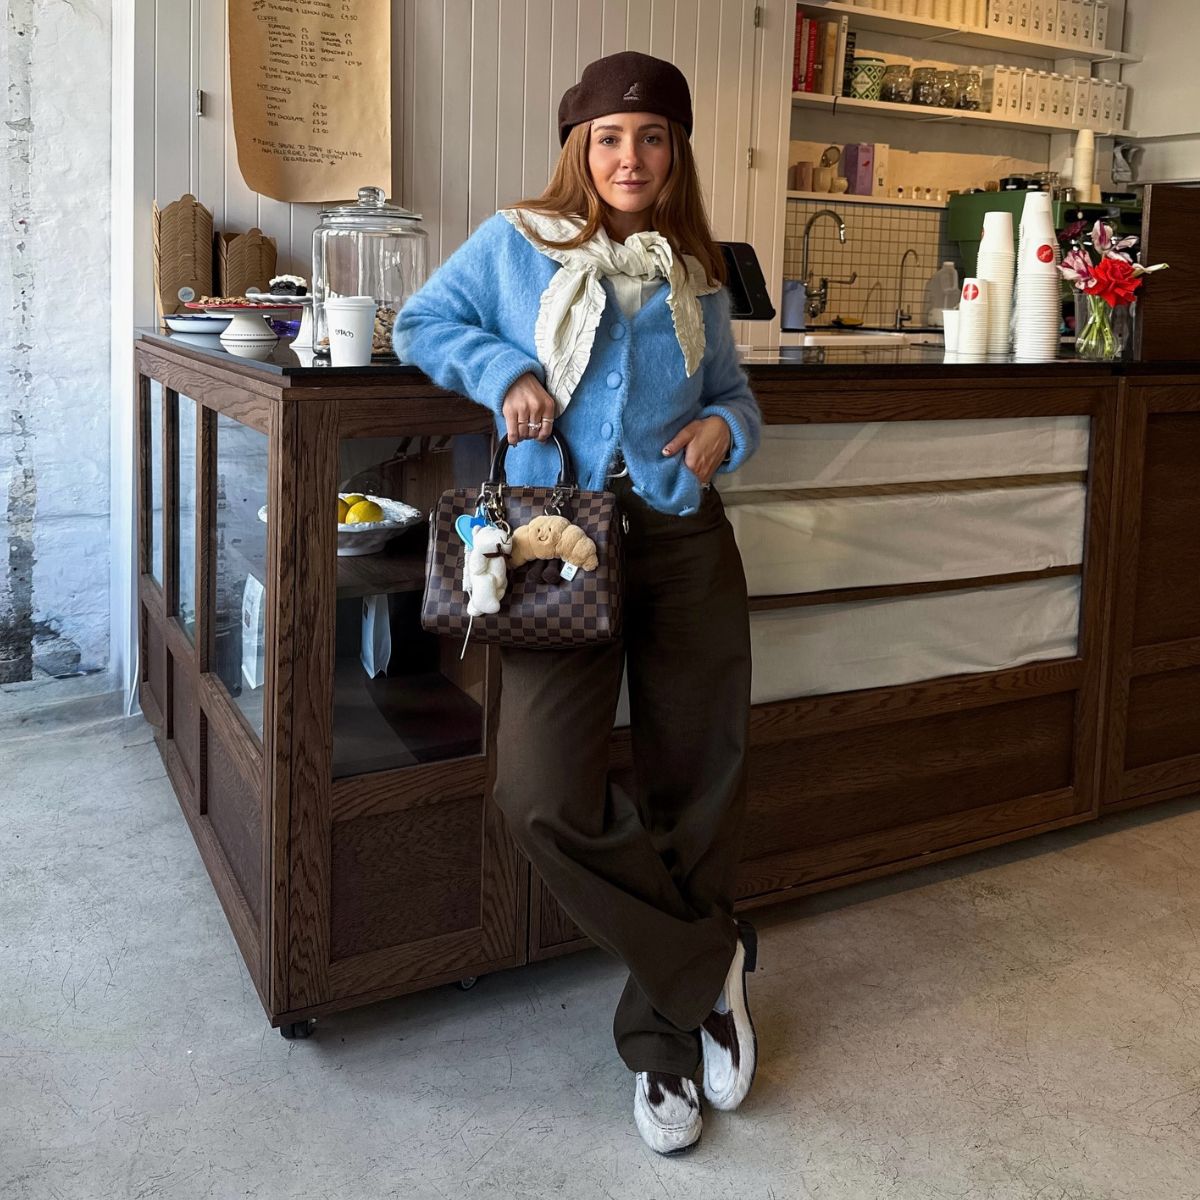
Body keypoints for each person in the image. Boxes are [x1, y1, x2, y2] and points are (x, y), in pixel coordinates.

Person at [393, 49, 763, 1156]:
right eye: (610, 136)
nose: (631, 156)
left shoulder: (694, 268)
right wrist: (504, 370)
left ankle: (661, 1053)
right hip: (560, 544)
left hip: (686, 539)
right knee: (539, 793)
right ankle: (711, 967)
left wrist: (723, 433)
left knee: (695, 782)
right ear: (578, 148)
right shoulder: (518, 242)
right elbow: (420, 323)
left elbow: (737, 396)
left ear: (677, 152)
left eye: (653, 138)